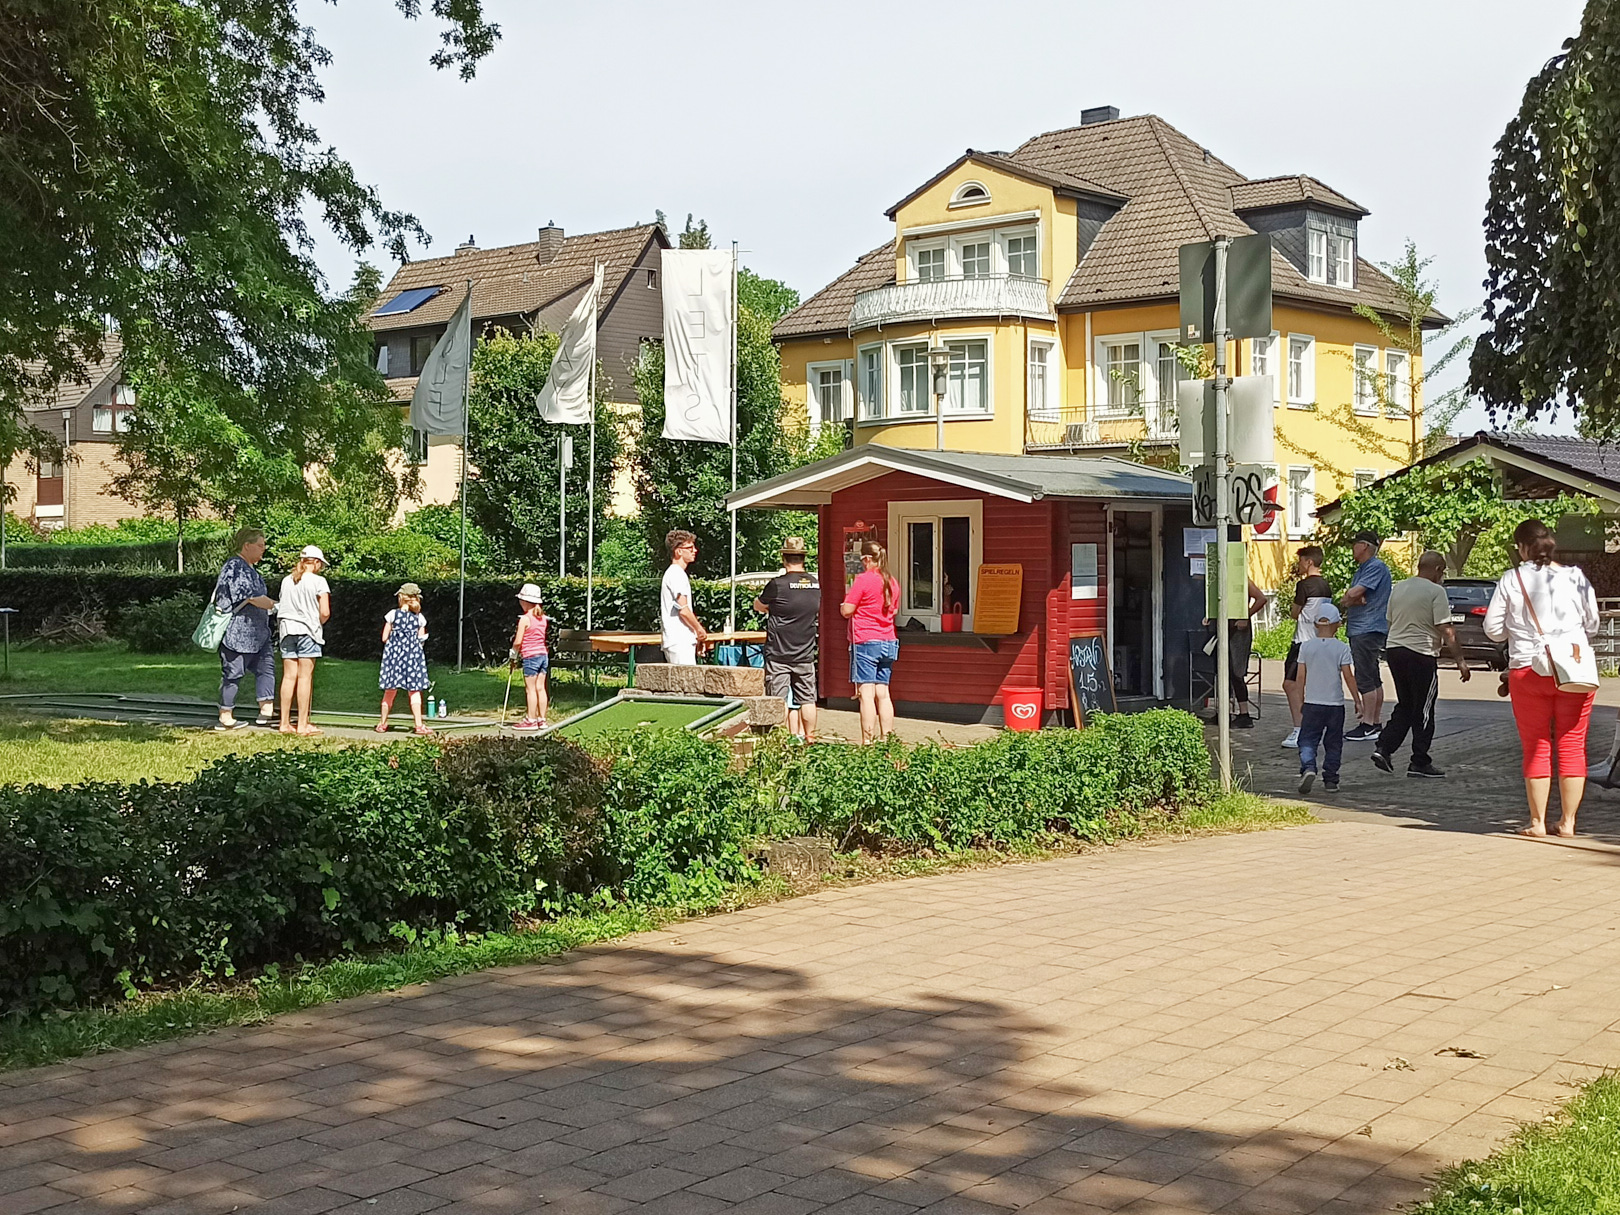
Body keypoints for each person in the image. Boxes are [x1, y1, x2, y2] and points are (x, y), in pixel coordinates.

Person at [1484, 518, 1600, 837]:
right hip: (1574, 670)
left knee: (1536, 744)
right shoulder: (1576, 577)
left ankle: (1537, 823)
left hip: (1528, 669)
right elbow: (1592, 624)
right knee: (1573, 743)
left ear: (1522, 548)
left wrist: (1518, 631)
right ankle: (1569, 822)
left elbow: (1492, 630)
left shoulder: (1511, 579)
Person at [1372, 551, 1470, 778]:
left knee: (1406, 704)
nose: (1442, 576)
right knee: (1424, 710)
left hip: (1395, 651)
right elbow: (1446, 629)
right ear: (1437, 569)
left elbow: (1390, 621)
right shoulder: (1436, 592)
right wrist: (1461, 661)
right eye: (1442, 571)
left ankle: (1384, 748)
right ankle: (1419, 761)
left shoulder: (1400, 589)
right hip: (1421, 654)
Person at [754, 537, 820, 742]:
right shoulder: (815, 584)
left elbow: (758, 604)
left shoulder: (777, 585)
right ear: (803, 558)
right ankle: (810, 737)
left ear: (784, 558)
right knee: (807, 698)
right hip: (805, 652)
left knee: (778, 698)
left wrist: (770, 608)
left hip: (779, 653)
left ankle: (780, 739)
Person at [212, 527, 278, 730]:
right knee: (233, 672)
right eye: (260, 546)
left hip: (258, 632)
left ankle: (266, 710)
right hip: (238, 633)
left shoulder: (249, 568)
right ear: (247, 546)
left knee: (266, 667)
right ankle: (225, 715)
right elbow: (251, 597)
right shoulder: (235, 567)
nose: (263, 550)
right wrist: (275, 605)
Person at [1295, 604, 1362, 795]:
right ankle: (1331, 779)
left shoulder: (1306, 647)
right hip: (1335, 705)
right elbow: (1349, 676)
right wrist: (1357, 700)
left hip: (1312, 703)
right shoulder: (1342, 648)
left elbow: (1300, 678)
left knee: (1307, 740)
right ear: (1338, 624)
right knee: (1333, 743)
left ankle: (1308, 768)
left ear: (1316, 624)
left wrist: (1300, 701)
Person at [840, 540, 901, 744]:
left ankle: (868, 742)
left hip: (865, 640)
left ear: (866, 559)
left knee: (866, 693)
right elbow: (894, 611)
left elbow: (848, 610)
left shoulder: (863, 580)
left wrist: (844, 606)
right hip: (889, 640)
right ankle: (887, 738)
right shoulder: (892, 582)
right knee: (883, 693)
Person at [1340, 531, 1392, 742]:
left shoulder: (1374, 567)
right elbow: (1354, 597)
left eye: (1355, 544)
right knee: (1372, 675)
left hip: (1366, 628)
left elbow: (1353, 594)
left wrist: (1349, 597)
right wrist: (1352, 598)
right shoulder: (1365, 568)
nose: (1352, 548)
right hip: (1366, 628)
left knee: (1365, 677)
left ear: (1364, 546)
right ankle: (1375, 722)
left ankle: (1368, 724)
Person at [1281, 545, 1333, 749]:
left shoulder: (1304, 586)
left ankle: (1299, 729)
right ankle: (1312, 728)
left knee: (1290, 684)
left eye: (1301, 560)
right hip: (1318, 640)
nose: (1299, 564)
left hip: (1302, 640)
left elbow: (1295, 613)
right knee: (1309, 686)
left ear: (1309, 562)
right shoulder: (1326, 586)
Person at [276, 545, 330, 736]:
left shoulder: (286, 580)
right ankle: (302, 724)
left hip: (287, 630)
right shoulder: (319, 581)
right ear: (315, 563)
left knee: (289, 676)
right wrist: (319, 623)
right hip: (308, 631)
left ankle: (284, 723)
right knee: (305, 677)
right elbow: (324, 612)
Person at [376, 582, 431, 735]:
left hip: (394, 658)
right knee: (414, 691)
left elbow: (384, 637)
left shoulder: (392, 615)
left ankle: (382, 723)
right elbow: (421, 638)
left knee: (390, 691)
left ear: (401, 598)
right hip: (413, 658)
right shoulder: (420, 618)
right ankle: (419, 725)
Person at [660, 530, 707, 666]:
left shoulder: (675, 573)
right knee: (686, 685)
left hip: (678, 640)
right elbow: (683, 610)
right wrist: (699, 630)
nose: (695, 551)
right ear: (678, 551)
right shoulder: (676, 574)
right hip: (679, 640)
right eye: (690, 548)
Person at [1226, 577, 1268, 729]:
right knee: (1224, 671)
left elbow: (1261, 598)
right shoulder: (1218, 576)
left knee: (1237, 672)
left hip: (1238, 630)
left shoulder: (1242, 578)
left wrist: (1246, 615)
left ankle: (1245, 714)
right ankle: (1225, 711)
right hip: (1224, 627)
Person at [509, 583, 549, 732]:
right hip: (543, 655)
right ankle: (542, 719)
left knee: (530, 689)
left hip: (531, 656)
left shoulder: (525, 619)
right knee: (540, 688)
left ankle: (531, 720)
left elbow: (518, 641)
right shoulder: (543, 618)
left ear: (525, 602)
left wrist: (513, 654)